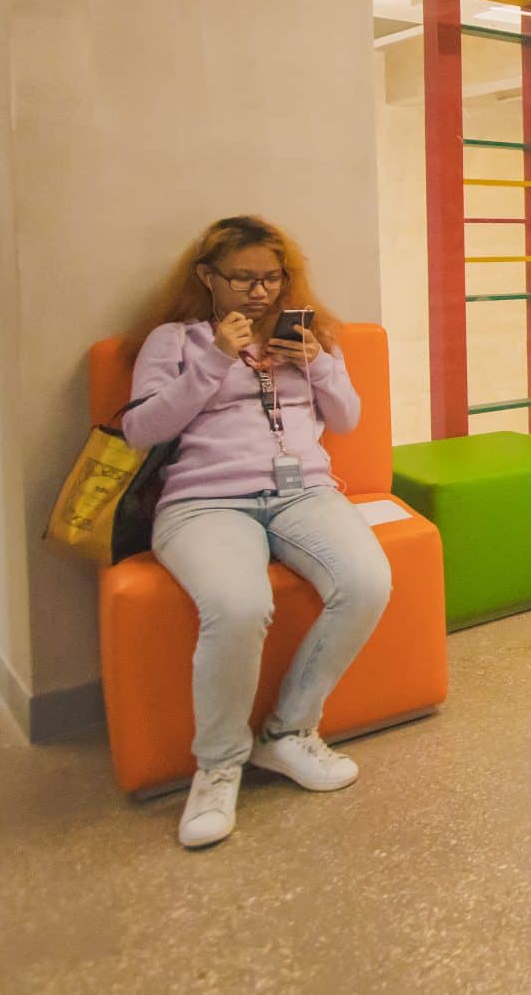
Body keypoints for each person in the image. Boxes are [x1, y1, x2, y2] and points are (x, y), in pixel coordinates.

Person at [124, 216, 393, 849]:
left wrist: (321, 365)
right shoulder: (176, 340)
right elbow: (142, 430)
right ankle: (218, 766)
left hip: (303, 493)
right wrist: (215, 360)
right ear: (207, 278)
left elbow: (348, 419)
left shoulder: (307, 336)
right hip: (205, 502)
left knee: (367, 580)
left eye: (272, 277)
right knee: (240, 606)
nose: (260, 292)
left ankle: (289, 732)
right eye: (243, 278)